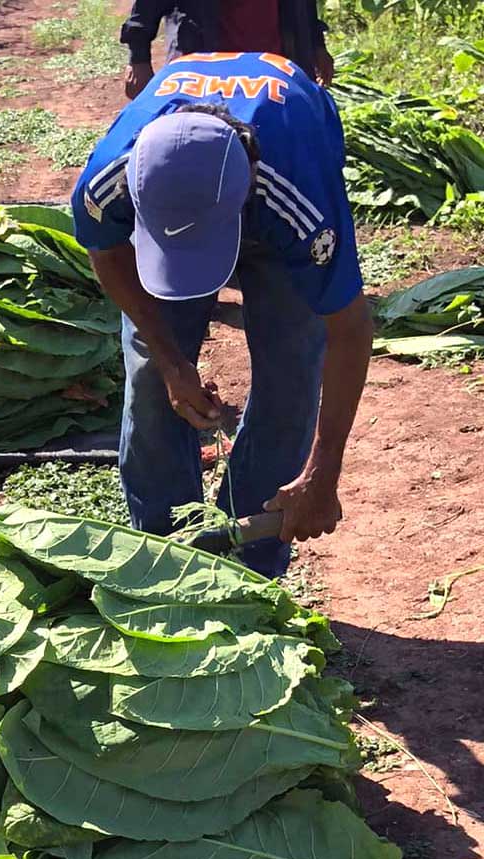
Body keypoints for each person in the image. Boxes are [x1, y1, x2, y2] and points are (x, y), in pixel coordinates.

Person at [70, 52, 374, 578]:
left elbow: (347, 329)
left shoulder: (299, 198)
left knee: (290, 372)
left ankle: (250, 565)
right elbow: (108, 255)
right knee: (148, 376)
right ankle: (166, 556)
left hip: (280, 176)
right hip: (192, 196)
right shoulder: (108, 182)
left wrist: (323, 475)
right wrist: (170, 363)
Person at [121, 1, 336, 99]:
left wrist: (316, 44)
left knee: (276, 149)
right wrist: (138, 58)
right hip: (205, 68)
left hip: (273, 67)